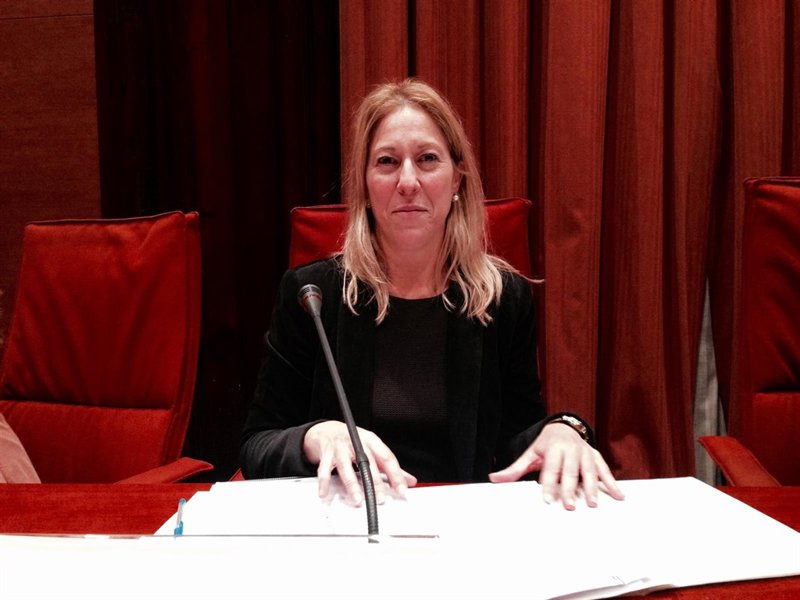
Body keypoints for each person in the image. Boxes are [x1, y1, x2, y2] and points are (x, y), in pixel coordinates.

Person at [240, 78, 624, 510]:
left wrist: (563, 429)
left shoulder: (503, 297)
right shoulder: (313, 296)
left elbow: (515, 440)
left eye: (427, 159)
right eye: (387, 161)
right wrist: (314, 436)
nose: (408, 181)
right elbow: (257, 447)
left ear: (457, 179)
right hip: (351, 518)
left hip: (461, 518)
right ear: (364, 185)